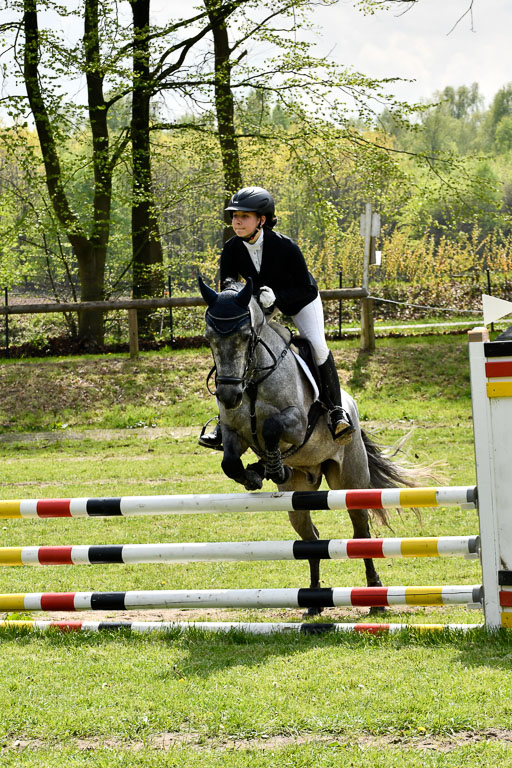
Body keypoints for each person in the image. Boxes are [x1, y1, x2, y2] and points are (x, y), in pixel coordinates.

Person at [199, 185, 355, 448]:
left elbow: (305, 289)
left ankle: (336, 411)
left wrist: (278, 299)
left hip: (299, 299)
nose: (237, 221)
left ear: (261, 220)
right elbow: (228, 286)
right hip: (260, 304)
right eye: (234, 216)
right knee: (237, 348)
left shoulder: (285, 246)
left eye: (244, 216)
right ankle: (224, 422)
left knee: (317, 346)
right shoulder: (231, 248)